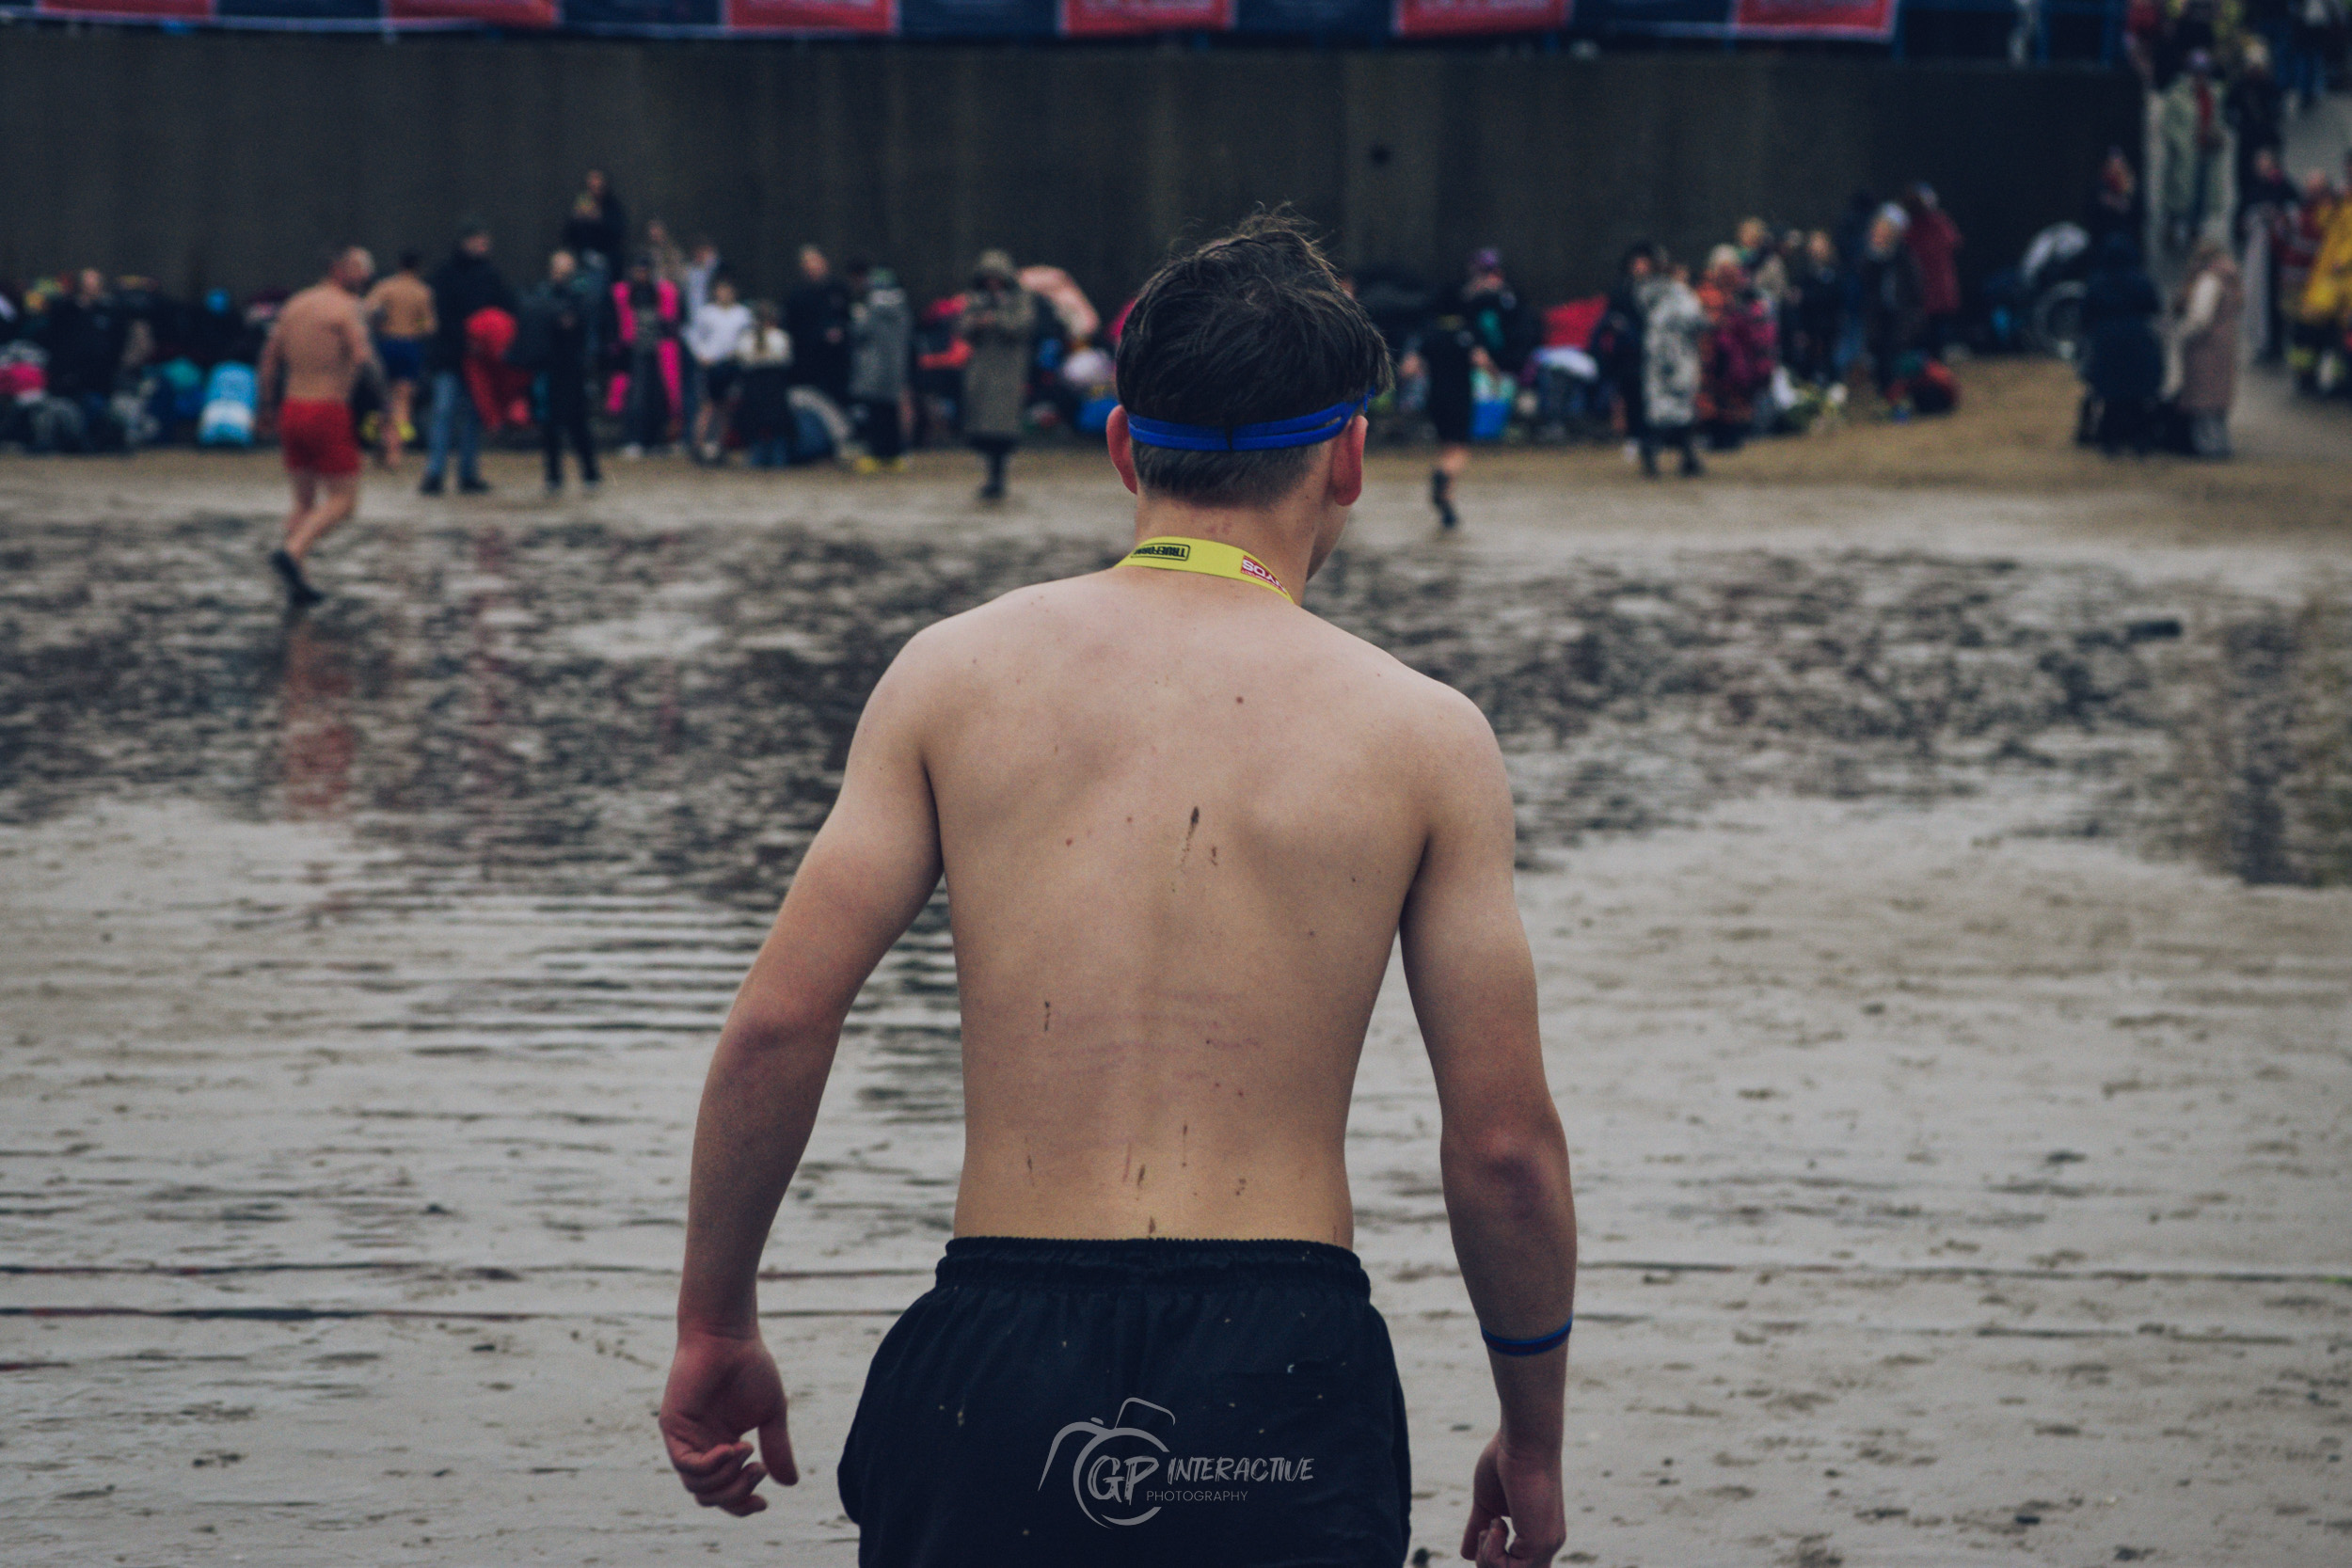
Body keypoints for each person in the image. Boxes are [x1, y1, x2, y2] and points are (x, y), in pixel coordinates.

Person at [656, 211, 1576, 1568]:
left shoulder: (950, 676)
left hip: (998, 1352)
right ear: (1350, 457)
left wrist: (714, 1321)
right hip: (1282, 1359)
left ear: (1122, 447)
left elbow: (778, 1025)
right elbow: (1501, 1144)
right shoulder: (1426, 735)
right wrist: (1532, 1433)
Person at [256, 246, 385, 608]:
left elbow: (268, 360)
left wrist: (265, 407)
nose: (365, 276)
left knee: (303, 502)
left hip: (292, 409)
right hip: (328, 411)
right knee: (344, 501)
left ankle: (298, 580)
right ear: (338, 269)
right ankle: (292, 550)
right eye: (359, 269)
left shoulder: (295, 304)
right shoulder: (348, 307)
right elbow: (366, 362)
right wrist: (387, 413)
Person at [421, 223, 511, 497]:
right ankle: (435, 473)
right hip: (451, 356)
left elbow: (502, 309)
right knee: (444, 411)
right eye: (479, 241)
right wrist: (466, 340)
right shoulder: (446, 274)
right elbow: (442, 314)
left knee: (472, 414)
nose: (483, 247)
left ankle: (467, 473)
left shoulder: (491, 275)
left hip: (478, 358)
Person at [515, 248, 602, 497]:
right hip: (548, 368)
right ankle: (553, 476)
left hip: (573, 368)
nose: (559, 275)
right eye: (557, 269)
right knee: (549, 425)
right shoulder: (543, 293)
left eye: (565, 270)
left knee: (577, 423)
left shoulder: (581, 294)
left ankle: (590, 474)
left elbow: (581, 320)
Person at [958, 249, 1035, 502]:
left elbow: (1022, 325)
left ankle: (998, 477)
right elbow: (962, 328)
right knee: (983, 427)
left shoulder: (1019, 298)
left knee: (1002, 427)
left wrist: (996, 319)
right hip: (981, 370)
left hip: (1008, 372)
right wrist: (976, 322)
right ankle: (990, 475)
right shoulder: (976, 299)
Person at [2079, 233, 2164, 455]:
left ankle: (2111, 441)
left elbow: (2085, 314)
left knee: (2111, 395)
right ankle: (2140, 440)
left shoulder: (2097, 281)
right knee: (2137, 394)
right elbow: (2154, 307)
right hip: (2137, 341)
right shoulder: (2140, 280)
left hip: (2106, 342)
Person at [2173, 236, 2244, 458]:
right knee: (2218, 404)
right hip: (2223, 346)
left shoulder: (2209, 280)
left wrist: (2181, 335)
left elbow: (2200, 318)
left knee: (2203, 404)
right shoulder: (2229, 277)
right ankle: (2222, 444)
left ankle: (2208, 448)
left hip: (2205, 349)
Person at [363, 250, 434, 467]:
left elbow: (368, 309)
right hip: (409, 345)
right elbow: (429, 325)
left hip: (387, 343)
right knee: (403, 400)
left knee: (384, 398)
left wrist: (382, 323)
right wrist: (414, 326)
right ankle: (395, 452)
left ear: (399, 264)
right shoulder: (422, 291)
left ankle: (384, 440)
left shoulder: (386, 287)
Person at [1639, 259, 1706, 478]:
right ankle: (1686, 458)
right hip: (1679, 360)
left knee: (1659, 411)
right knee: (1681, 410)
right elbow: (1696, 320)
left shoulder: (1648, 294)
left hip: (1656, 361)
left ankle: (1663, 456)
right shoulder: (1680, 295)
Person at [848, 262, 914, 473]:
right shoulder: (902, 306)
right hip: (894, 367)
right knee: (891, 413)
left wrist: (856, 317)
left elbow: (860, 332)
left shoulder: (871, 306)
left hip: (873, 368)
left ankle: (875, 454)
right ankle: (894, 455)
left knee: (875, 414)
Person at [615, 256, 681, 458]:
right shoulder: (625, 293)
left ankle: (655, 440)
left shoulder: (661, 293)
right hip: (635, 352)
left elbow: (670, 322)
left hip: (659, 353)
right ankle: (634, 439)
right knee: (636, 398)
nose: (641, 275)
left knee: (657, 398)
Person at [1594, 243, 1654, 458]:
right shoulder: (1622, 289)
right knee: (1631, 396)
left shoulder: (1658, 290)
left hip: (1654, 351)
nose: (1640, 267)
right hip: (1629, 354)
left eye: (1644, 262)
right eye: (1637, 262)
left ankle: (1654, 437)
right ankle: (1634, 436)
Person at [1855, 211, 1925, 398]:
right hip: (1879, 317)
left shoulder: (1904, 256)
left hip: (1901, 315)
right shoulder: (1869, 258)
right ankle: (1887, 394)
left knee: (1899, 355)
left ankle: (1901, 395)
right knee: (1881, 356)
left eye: (1884, 231)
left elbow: (1915, 288)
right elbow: (1865, 286)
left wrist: (1913, 314)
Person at [686, 276, 751, 465]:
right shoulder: (707, 313)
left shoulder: (742, 314)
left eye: (728, 290)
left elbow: (746, 337)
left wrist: (740, 353)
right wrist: (701, 355)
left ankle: (720, 447)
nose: (724, 294)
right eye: (721, 290)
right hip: (711, 365)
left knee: (726, 408)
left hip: (732, 364)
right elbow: (693, 335)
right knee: (707, 406)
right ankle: (697, 447)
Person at [785, 245, 852, 408]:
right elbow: (794, 328)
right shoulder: (797, 295)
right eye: (808, 263)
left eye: (815, 261)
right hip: (811, 364)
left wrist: (840, 331)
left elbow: (847, 318)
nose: (812, 267)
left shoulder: (838, 289)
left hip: (837, 362)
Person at [1902, 184, 1964, 356]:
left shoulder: (1936, 223)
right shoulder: (1913, 226)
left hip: (1935, 287)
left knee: (1936, 330)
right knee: (1928, 331)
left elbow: (1954, 243)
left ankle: (1934, 362)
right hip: (1924, 287)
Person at [735, 303, 795, 468]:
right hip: (755, 383)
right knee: (755, 421)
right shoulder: (748, 338)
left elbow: (783, 358)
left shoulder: (779, 337)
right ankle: (758, 457)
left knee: (777, 422)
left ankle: (778, 458)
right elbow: (744, 358)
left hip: (772, 382)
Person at [564, 170, 628, 276]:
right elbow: (569, 235)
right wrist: (577, 219)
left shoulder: (612, 206)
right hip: (581, 253)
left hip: (606, 254)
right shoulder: (581, 203)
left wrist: (598, 219)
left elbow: (617, 232)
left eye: (598, 186)